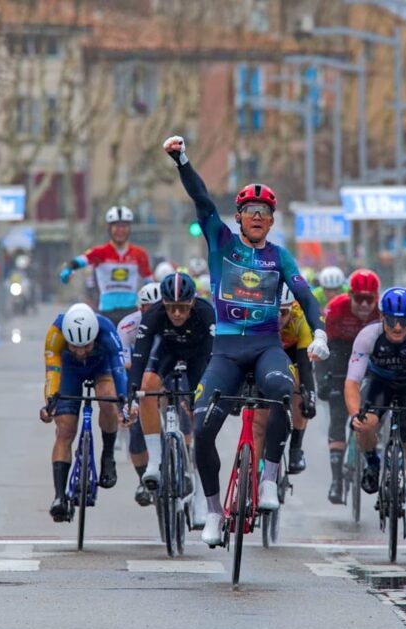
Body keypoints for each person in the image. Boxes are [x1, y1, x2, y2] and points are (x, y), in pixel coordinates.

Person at [162, 135, 328, 547]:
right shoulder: (222, 243)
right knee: (202, 429)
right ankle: (215, 513)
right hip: (226, 352)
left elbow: (305, 295)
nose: (257, 217)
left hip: (266, 346)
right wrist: (183, 161)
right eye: (250, 211)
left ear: (271, 221)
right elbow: (201, 199)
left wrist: (319, 332)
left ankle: (269, 480)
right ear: (238, 217)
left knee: (280, 391)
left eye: (264, 212)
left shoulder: (280, 257)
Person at [345, 287, 406, 539]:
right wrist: (355, 413)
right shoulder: (368, 336)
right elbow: (353, 382)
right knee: (365, 424)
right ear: (382, 318)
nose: (398, 327)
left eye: (403, 321)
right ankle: (373, 462)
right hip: (380, 384)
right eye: (392, 320)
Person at [129, 272, 215, 496]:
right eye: (171, 307)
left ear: (193, 303)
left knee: (202, 405)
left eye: (183, 307)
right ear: (163, 304)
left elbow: (218, 354)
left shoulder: (206, 312)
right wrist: (132, 391)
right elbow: (140, 355)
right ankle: (154, 462)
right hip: (168, 353)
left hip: (199, 356)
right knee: (146, 389)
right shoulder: (154, 314)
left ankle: (199, 485)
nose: (177, 313)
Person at [40, 303, 128, 521]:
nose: (80, 352)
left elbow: (119, 370)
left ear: (95, 336)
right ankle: (59, 497)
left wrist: (123, 404)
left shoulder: (106, 330)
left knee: (108, 399)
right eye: (74, 346)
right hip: (69, 372)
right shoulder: (55, 332)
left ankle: (108, 456)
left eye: (86, 346)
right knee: (65, 430)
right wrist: (51, 403)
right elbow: (52, 371)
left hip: (101, 368)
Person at [318, 268, 381, 503]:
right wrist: (323, 378)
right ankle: (336, 481)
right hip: (341, 354)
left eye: (369, 299)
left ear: (376, 298)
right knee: (337, 415)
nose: (364, 304)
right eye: (359, 299)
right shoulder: (336, 308)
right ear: (350, 295)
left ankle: (376, 445)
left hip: (373, 357)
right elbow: (322, 348)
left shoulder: (383, 311)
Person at [254, 285, 317, 474]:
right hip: (264, 352)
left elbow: (305, 366)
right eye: (274, 312)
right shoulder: (258, 319)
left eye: (283, 312)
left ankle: (295, 448)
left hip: (293, 355)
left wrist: (309, 396)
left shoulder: (300, 320)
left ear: (292, 309)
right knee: (259, 418)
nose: (278, 318)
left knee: (300, 391)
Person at [59, 207, 153, 326]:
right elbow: (79, 261)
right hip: (106, 313)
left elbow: (149, 281)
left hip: (131, 312)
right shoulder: (100, 252)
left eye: (124, 226)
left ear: (129, 229)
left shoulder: (139, 254)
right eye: (116, 226)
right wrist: (68, 269)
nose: (120, 230)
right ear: (109, 228)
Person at [116, 282, 162, 506]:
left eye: (157, 307)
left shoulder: (173, 320)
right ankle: (144, 480)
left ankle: (183, 455)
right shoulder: (128, 326)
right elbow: (124, 368)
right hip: (138, 373)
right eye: (147, 308)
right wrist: (128, 402)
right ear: (139, 308)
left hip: (167, 371)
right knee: (136, 429)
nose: (152, 312)